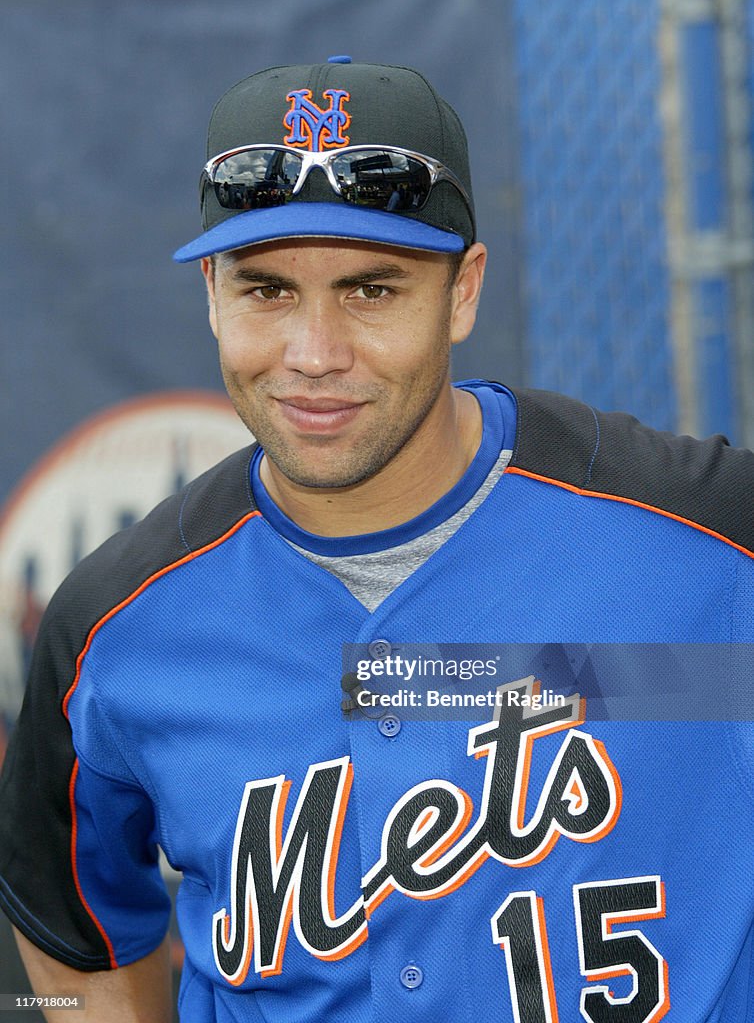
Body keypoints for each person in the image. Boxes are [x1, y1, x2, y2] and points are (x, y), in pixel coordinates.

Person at [0, 55, 753, 1023]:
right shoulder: (117, 621)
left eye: (372, 289)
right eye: (265, 290)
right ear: (212, 296)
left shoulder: (706, 543)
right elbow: (76, 941)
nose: (313, 355)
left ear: (463, 290)